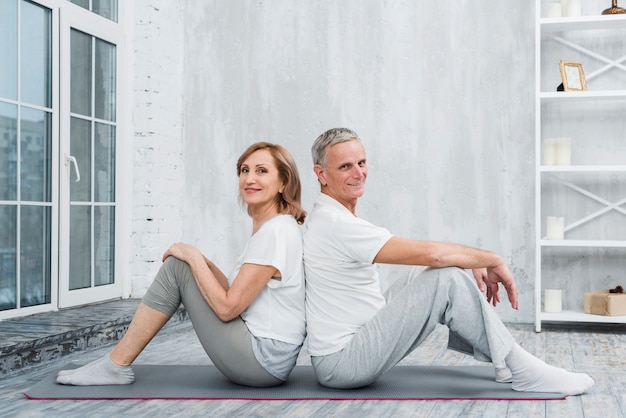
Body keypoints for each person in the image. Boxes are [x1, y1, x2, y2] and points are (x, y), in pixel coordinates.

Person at [303, 127, 594, 396]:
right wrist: (488, 258)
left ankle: (504, 362)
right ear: (321, 173)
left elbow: (432, 258)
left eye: (362, 162)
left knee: (432, 269)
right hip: (344, 363)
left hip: (358, 339)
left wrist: (466, 260)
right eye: (345, 166)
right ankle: (519, 367)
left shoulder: (334, 217)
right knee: (444, 276)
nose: (359, 172)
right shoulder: (335, 223)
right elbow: (434, 254)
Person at [57, 142, 307, 387]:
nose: (250, 178)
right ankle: (114, 364)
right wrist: (199, 260)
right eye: (244, 170)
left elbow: (228, 308)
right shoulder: (275, 228)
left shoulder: (275, 231)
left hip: (261, 360)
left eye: (262, 171)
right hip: (268, 357)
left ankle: (114, 366)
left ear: (283, 183)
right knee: (184, 263)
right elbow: (235, 292)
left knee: (178, 266)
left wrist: (192, 258)